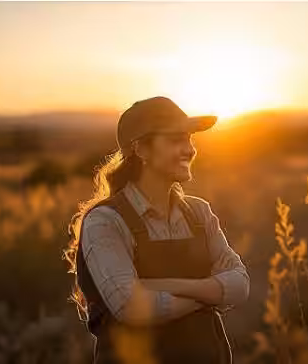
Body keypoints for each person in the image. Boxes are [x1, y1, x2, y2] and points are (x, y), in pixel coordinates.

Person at [65, 96, 249, 363]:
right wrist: (209, 295)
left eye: (189, 139)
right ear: (141, 149)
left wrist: (165, 286)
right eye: (176, 140)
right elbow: (132, 307)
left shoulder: (199, 213)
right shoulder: (105, 221)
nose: (190, 149)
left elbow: (240, 285)